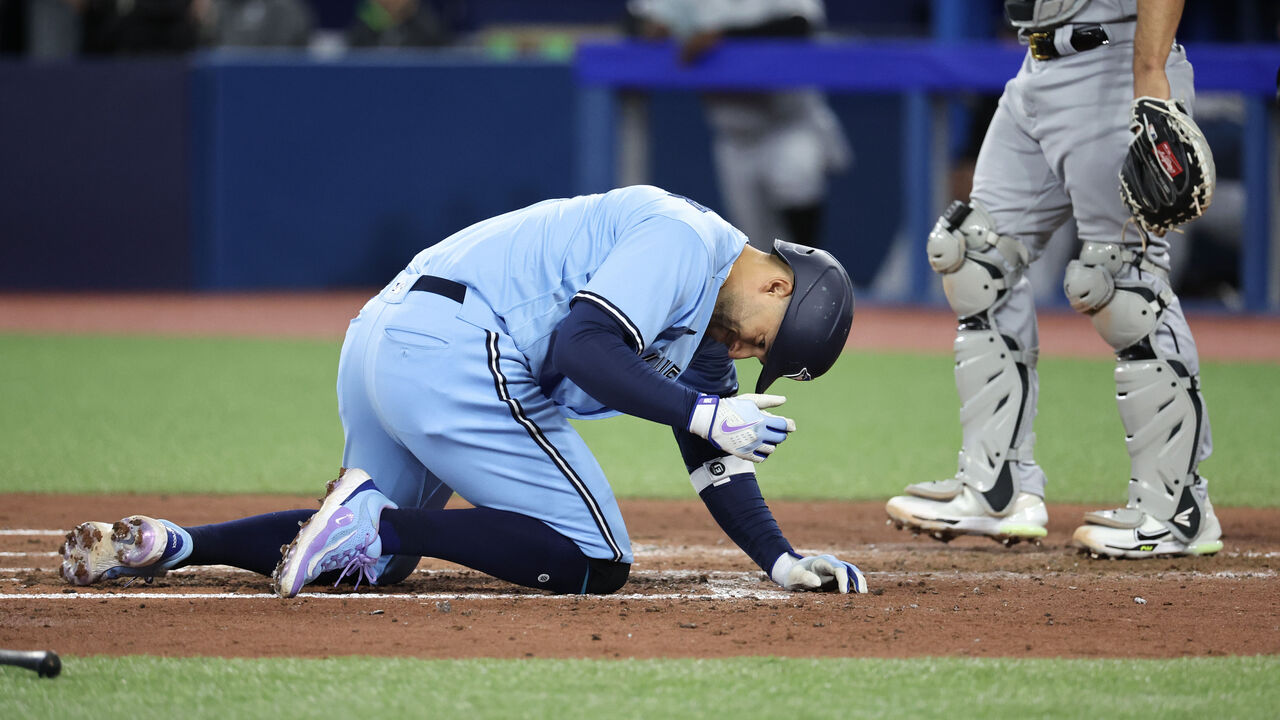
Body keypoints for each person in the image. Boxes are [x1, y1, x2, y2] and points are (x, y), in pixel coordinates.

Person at [60, 185, 868, 596]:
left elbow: (708, 452)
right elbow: (581, 346)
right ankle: (375, 521)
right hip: (454, 348)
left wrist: (780, 559)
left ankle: (173, 545)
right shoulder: (686, 239)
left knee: (371, 566)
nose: (742, 353)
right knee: (595, 558)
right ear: (777, 288)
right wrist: (701, 410)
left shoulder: (705, 327)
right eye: (763, 339)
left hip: (392, 340)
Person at [885, 0, 1223, 559]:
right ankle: (997, 488)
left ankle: (1177, 510)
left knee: (1124, 286)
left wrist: (1150, 76)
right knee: (976, 261)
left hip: (1116, 66)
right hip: (1036, 66)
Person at [626, 0, 850, 251]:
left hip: (788, 122)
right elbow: (644, 19)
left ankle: (810, 282)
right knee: (754, 244)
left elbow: (799, 25)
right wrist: (653, 29)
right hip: (733, 134)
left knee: (796, 195)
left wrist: (723, 36)